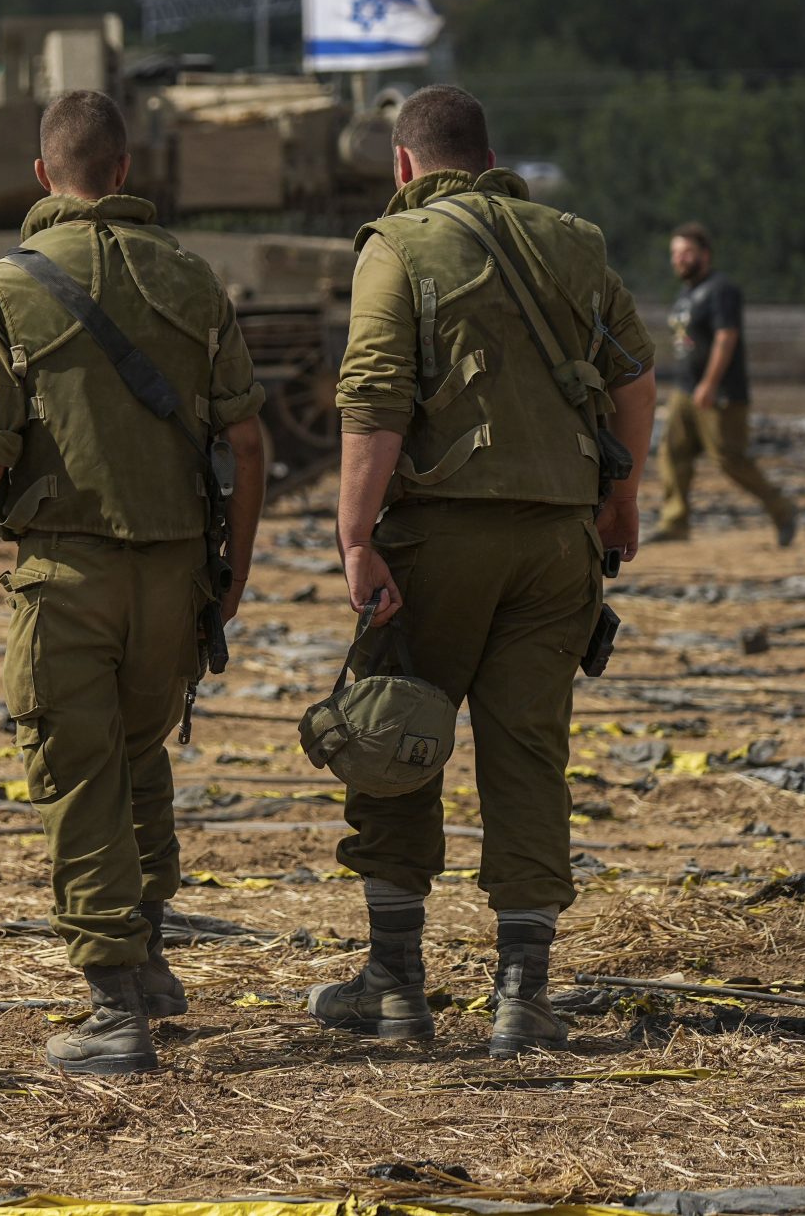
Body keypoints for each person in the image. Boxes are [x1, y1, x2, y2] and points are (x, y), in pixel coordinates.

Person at [0, 90, 268, 1077]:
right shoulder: (192, 276)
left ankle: (115, 1006)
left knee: (77, 778)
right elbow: (247, 441)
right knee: (136, 753)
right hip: (176, 574)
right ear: (124, 171)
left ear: (43, 175)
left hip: (67, 576)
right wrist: (231, 576)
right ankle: (149, 958)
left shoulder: (3, 289)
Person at [316, 84, 656, 1057]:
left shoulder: (397, 246)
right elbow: (635, 376)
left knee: (393, 734)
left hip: (439, 543)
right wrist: (621, 495)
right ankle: (522, 997)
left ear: (401, 163)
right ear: (490, 157)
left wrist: (354, 535)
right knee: (528, 756)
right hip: (556, 548)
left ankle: (395, 986)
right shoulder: (574, 241)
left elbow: (374, 398)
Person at [651, 223, 795, 547]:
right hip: (684, 390)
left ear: (705, 255)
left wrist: (710, 383)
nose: (679, 259)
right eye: (675, 253)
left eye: (687, 252)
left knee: (730, 459)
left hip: (719, 392)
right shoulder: (685, 294)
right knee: (672, 452)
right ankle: (675, 522)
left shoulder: (721, 290)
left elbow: (726, 337)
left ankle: (782, 510)